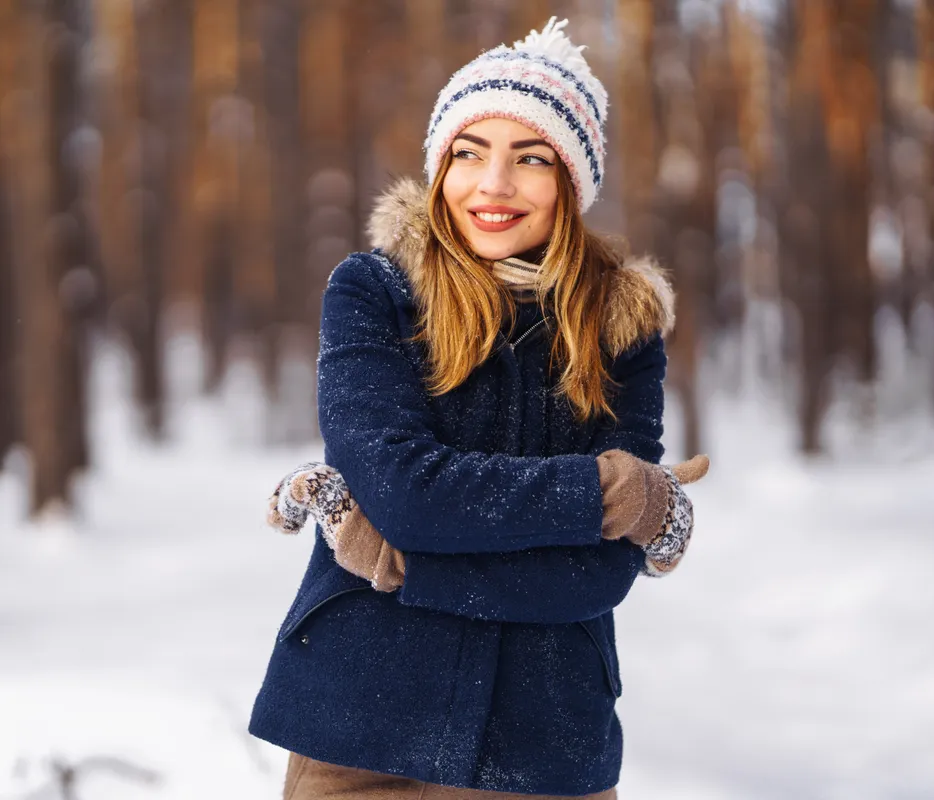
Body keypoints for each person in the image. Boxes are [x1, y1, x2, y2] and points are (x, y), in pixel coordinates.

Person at [249, 17, 710, 799]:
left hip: (545, 744)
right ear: (439, 167)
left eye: (530, 158)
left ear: (572, 179)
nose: (492, 185)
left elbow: (594, 578)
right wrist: (602, 494)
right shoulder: (374, 293)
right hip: (361, 733)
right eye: (469, 153)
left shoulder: (623, 324)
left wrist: (400, 561)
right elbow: (405, 492)